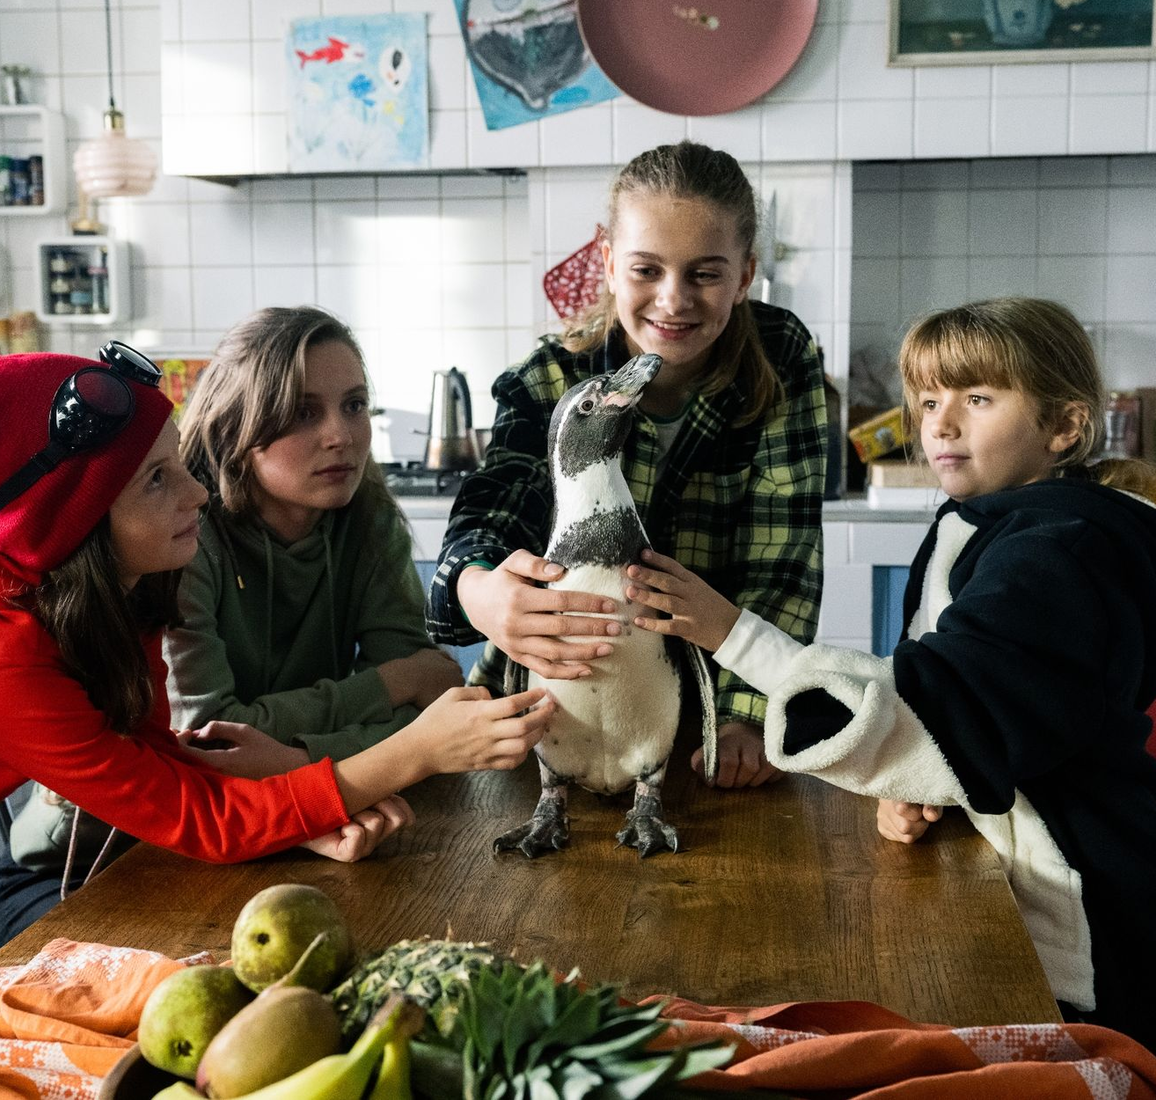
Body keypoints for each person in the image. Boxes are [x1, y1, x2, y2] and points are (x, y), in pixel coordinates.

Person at [621, 296, 1156, 1089]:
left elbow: (943, 707)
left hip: (1094, 922)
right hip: (1025, 880)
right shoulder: (994, 520)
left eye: (978, 398)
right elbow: (987, 722)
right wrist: (931, 787)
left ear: (1064, 426)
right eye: (929, 400)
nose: (941, 423)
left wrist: (735, 635)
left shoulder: (1068, 551)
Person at [0, 344, 553, 942]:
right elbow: (204, 818)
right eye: (156, 480)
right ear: (66, 520)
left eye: (179, 464)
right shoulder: (13, 659)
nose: (197, 495)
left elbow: (160, 756)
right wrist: (416, 750)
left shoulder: (127, 590)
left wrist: (298, 811)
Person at [427, 141, 828, 787]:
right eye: (647, 270)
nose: (674, 300)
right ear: (610, 264)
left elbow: (782, 560)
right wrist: (478, 591)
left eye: (705, 274)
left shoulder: (781, 361)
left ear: (746, 274)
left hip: (705, 714)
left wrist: (747, 715)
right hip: (547, 710)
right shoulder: (548, 377)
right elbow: (484, 518)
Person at [163, 306, 463, 767]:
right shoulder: (184, 537)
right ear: (233, 426)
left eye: (354, 405)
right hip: (110, 833)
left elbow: (427, 710)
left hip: (311, 810)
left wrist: (298, 760)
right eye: (303, 412)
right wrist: (390, 682)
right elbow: (205, 739)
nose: (340, 435)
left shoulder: (369, 521)